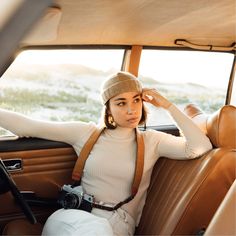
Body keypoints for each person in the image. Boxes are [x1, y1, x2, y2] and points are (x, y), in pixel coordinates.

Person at [0, 71, 212, 235]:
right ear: (108, 108)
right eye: (121, 103)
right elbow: (26, 126)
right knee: (94, 228)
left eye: (136, 100)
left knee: (98, 229)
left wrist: (167, 106)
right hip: (73, 217)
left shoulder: (152, 141)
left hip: (117, 224)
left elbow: (199, 147)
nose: (131, 110)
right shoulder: (86, 133)